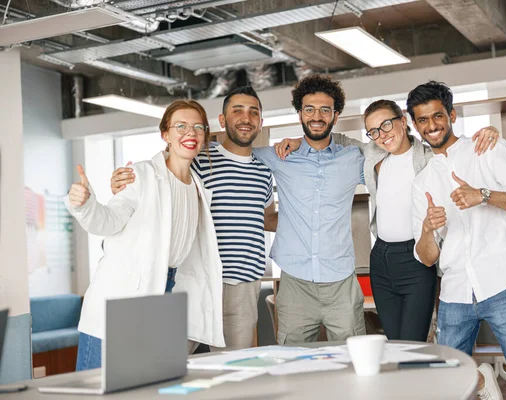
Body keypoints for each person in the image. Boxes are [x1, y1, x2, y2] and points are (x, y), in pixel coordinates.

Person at [275, 100, 499, 342]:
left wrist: (490, 132)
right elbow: (336, 139)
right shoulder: (373, 154)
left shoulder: (427, 157)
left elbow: (455, 149)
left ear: (403, 120)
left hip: (416, 260)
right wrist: (300, 141)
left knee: (412, 343)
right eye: (373, 131)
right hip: (381, 259)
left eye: (386, 125)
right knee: (393, 342)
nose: (381, 135)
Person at [410, 81, 506, 400]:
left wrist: (483, 195)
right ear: (415, 125)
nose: (432, 125)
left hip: (504, 283)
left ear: (452, 115)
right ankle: (483, 381)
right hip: (455, 293)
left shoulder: (486, 148)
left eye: (437, 116)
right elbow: (427, 257)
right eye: (423, 119)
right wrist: (428, 229)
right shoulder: (423, 183)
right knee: (447, 387)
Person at [110, 87, 276, 351]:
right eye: (237, 111)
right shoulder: (201, 157)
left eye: (253, 112)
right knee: (169, 360)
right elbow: (163, 171)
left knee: (235, 370)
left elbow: (267, 218)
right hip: (196, 278)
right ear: (222, 121)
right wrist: (128, 180)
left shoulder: (264, 171)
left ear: (260, 123)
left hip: (244, 284)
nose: (246, 118)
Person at [66, 100, 224, 370]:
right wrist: (84, 204)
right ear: (166, 135)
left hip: (164, 292)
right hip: (121, 299)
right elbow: (109, 221)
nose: (191, 133)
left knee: (142, 385)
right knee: (96, 388)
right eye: (181, 126)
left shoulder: (197, 187)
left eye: (199, 127)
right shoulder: (141, 175)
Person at [252, 74, 366, 344]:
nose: (317, 116)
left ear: (335, 116)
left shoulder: (352, 159)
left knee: (355, 362)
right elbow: (234, 154)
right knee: (294, 366)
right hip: (295, 284)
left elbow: (388, 151)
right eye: (310, 109)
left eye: (325, 110)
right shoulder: (279, 157)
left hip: (342, 284)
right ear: (300, 114)